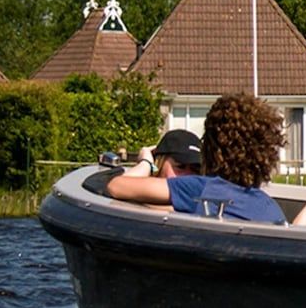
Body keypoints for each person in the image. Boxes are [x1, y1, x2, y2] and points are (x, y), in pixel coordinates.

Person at [107, 92, 288, 223]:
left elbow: (116, 186)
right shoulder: (269, 207)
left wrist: (146, 162)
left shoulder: (202, 188)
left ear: (211, 149)